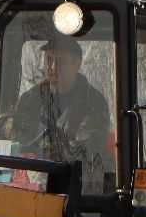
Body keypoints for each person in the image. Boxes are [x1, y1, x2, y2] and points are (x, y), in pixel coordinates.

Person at [7, 34, 112, 187]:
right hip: (31, 182)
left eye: (60, 61)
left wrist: (44, 153)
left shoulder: (92, 102)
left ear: (77, 64)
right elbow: (12, 138)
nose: (52, 67)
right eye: (49, 60)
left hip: (78, 185)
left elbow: (88, 149)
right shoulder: (29, 99)